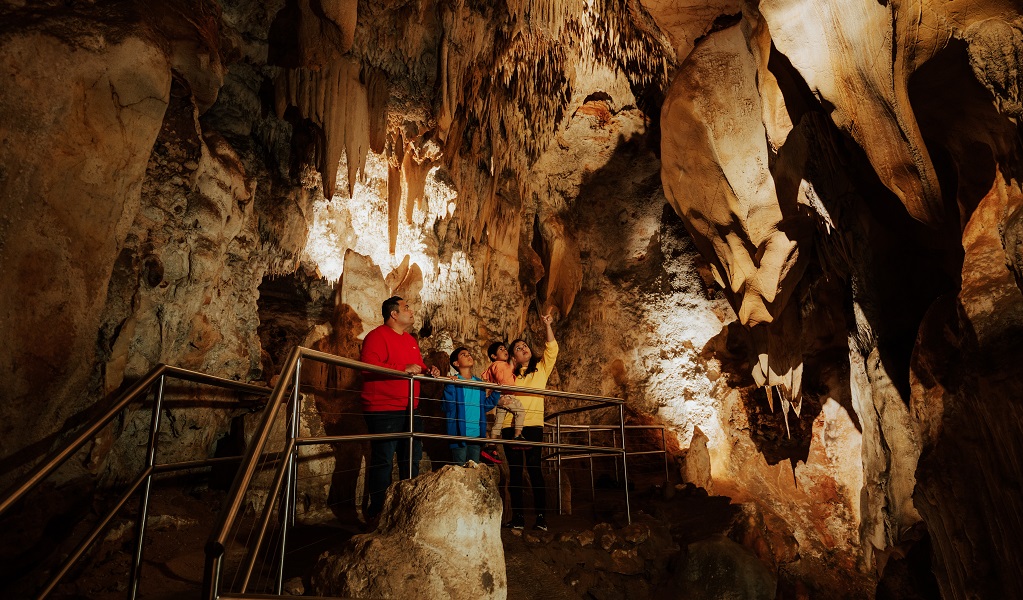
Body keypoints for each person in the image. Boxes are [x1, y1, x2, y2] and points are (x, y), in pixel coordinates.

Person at [359, 295, 440, 519]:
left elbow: (418, 367)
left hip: (409, 407)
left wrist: (429, 370)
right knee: (384, 458)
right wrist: (402, 368)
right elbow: (367, 367)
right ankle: (378, 511)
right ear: (393, 314)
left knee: (411, 457)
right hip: (383, 406)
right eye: (406, 307)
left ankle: (407, 507)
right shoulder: (376, 337)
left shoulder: (410, 340)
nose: (411, 311)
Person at [503, 310, 557, 531]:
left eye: (524, 345)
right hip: (510, 425)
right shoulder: (509, 375)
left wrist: (547, 325)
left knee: (534, 469)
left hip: (533, 425)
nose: (524, 348)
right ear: (513, 357)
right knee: (515, 472)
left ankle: (541, 519)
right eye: (518, 348)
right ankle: (518, 518)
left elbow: (551, 349)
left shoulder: (541, 370)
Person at [442, 347, 500, 466]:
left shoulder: (479, 383)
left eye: (469, 354)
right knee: (459, 470)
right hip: (459, 435)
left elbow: (484, 406)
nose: (469, 356)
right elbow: (447, 407)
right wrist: (449, 386)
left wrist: (497, 392)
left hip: (477, 435)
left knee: (474, 471)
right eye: (464, 355)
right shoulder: (455, 382)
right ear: (456, 363)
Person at [481, 341, 526, 442]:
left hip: (500, 396)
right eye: (501, 349)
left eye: (505, 348)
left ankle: (492, 443)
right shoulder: (499, 365)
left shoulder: (498, 365)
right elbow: (503, 379)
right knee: (520, 412)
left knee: (498, 422)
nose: (505, 350)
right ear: (494, 356)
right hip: (507, 395)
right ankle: (517, 435)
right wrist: (510, 387)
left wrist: (512, 366)